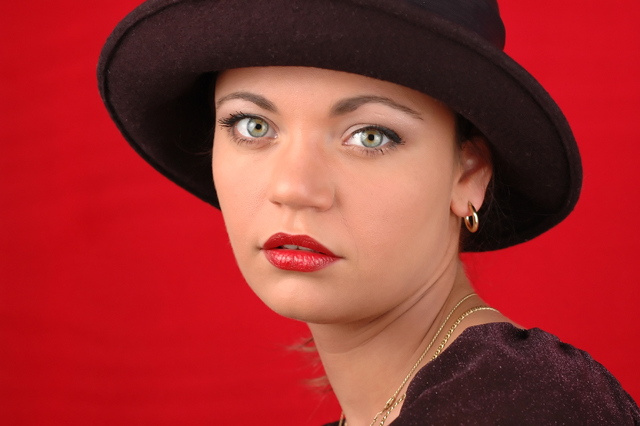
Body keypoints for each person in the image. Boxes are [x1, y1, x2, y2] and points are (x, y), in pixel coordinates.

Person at [98, 0, 640, 424]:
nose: (294, 188)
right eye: (252, 126)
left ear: (468, 174)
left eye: (370, 136)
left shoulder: (524, 407)